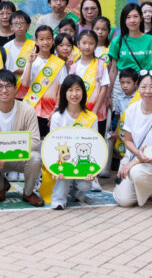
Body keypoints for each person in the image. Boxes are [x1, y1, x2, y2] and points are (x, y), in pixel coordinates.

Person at [0, 70, 45, 206]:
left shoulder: (28, 110)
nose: (4, 90)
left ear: (15, 89)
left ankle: (28, 192)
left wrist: (6, 154)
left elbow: (35, 141)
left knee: (35, 158)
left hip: (20, 158)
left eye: (8, 86)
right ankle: (1, 187)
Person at [113, 72, 152, 209]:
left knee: (136, 172)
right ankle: (148, 188)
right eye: (143, 87)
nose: (147, 91)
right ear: (138, 88)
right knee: (124, 201)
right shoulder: (131, 110)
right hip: (133, 157)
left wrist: (134, 162)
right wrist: (137, 155)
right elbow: (128, 141)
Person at [47, 75, 98, 210]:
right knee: (63, 177)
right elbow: (52, 144)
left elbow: (95, 145)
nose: (74, 94)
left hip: (83, 160)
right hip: (62, 160)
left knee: (85, 185)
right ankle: (58, 199)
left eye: (77, 89)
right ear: (64, 93)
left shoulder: (91, 118)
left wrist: (93, 170)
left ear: (83, 92)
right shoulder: (57, 117)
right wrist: (55, 167)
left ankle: (75, 191)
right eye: (70, 90)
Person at [23, 31, 73, 135]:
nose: (45, 42)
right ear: (36, 41)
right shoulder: (32, 60)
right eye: (41, 39)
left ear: (53, 41)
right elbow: (24, 83)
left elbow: (61, 89)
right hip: (32, 108)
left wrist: (56, 109)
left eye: (48, 38)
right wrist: (29, 63)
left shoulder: (59, 64)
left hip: (51, 111)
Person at [72, 30, 111, 133]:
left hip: (97, 113)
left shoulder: (101, 65)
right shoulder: (74, 67)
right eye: (84, 43)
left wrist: (94, 111)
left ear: (96, 45)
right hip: (78, 112)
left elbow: (104, 88)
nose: (87, 47)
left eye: (91, 43)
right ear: (78, 44)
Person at [107, 3, 152, 75]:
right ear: (124, 20)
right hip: (122, 84)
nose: (132, 20)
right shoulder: (117, 41)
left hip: (145, 82)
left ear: (141, 18)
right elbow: (113, 70)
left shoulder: (151, 40)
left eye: (135, 16)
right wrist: (110, 86)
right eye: (128, 17)